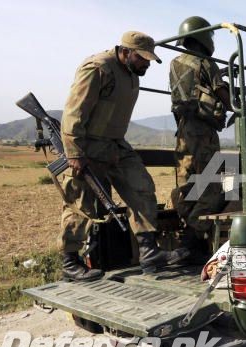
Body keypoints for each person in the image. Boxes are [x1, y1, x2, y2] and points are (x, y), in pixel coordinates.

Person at [60, 31, 190, 281]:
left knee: (141, 188)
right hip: (87, 146)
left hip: (115, 144)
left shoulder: (131, 73)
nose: (146, 64)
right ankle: (70, 261)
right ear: (126, 51)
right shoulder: (98, 68)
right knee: (80, 204)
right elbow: (73, 112)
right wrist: (74, 152)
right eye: (142, 58)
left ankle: (149, 251)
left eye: (149, 60)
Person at [169, 16, 246, 253]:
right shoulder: (205, 63)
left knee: (189, 184)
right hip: (203, 131)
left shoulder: (175, 62)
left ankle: (186, 236)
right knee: (211, 186)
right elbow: (227, 100)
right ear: (203, 37)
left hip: (182, 129)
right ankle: (191, 237)